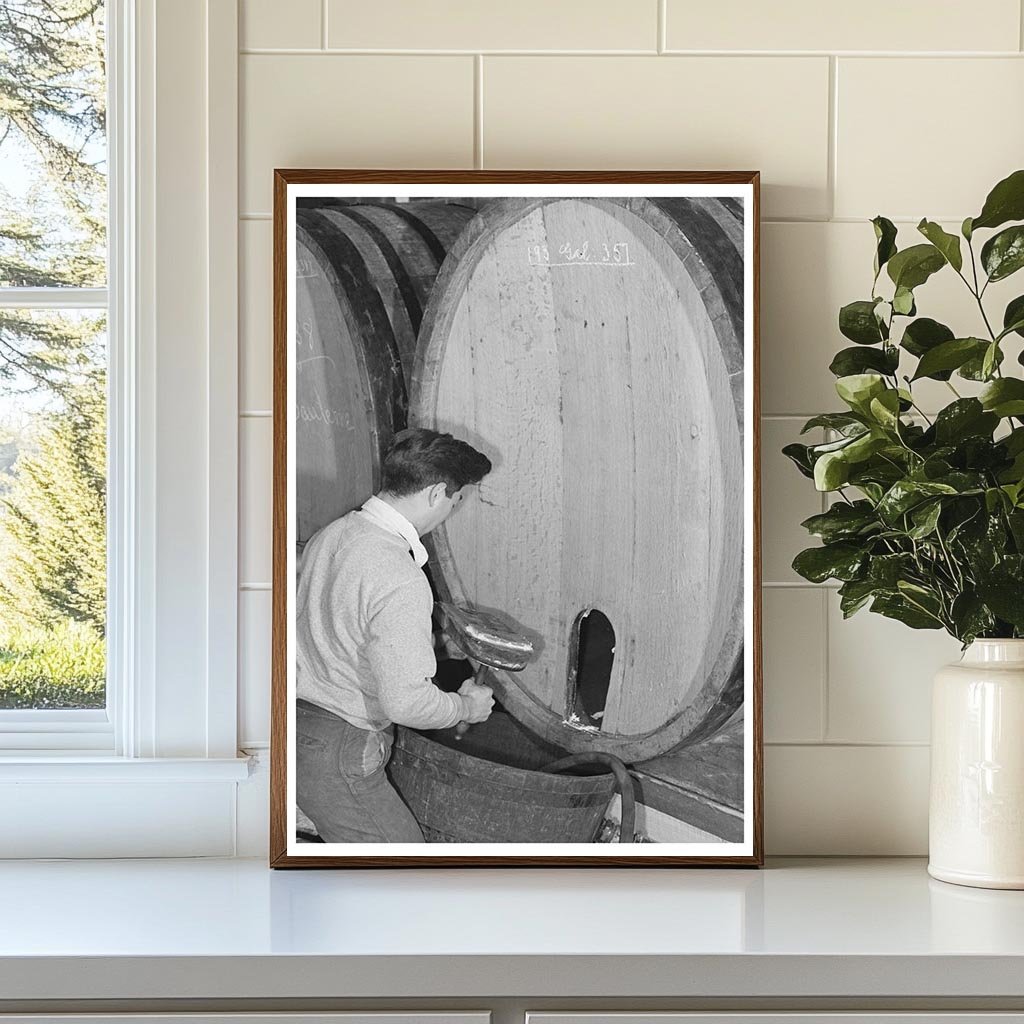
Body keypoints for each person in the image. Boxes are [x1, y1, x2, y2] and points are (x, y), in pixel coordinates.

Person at [295, 427, 495, 843]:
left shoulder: (333, 534)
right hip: (342, 747)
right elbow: (407, 704)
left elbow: (342, 628)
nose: (449, 512)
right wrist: (465, 707)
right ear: (437, 493)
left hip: (297, 728)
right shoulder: (400, 577)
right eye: (456, 501)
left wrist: (432, 643)